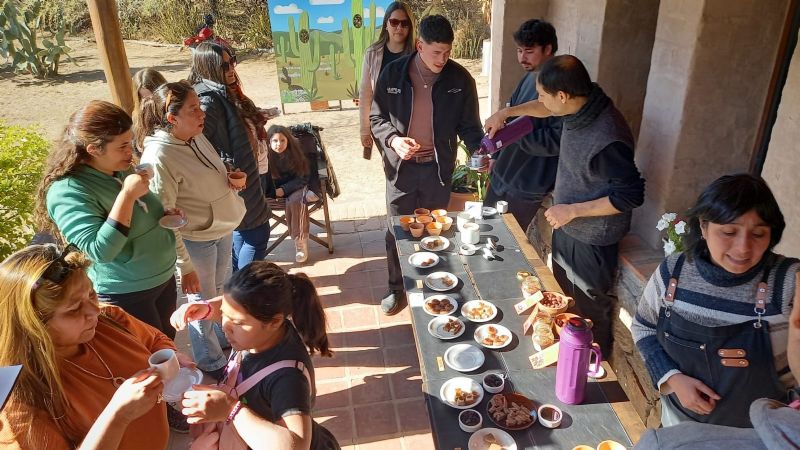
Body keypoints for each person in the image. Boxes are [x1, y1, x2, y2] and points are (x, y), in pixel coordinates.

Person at [485, 55, 645, 356]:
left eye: (544, 94)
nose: (540, 101)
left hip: (593, 238)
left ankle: (593, 378)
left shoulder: (607, 137)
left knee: (589, 313)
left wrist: (572, 210)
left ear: (563, 96)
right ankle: (565, 360)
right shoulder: (582, 102)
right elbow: (544, 109)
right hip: (567, 225)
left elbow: (631, 195)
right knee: (561, 298)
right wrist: (508, 113)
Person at [631, 174, 799, 428]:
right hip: (680, 422)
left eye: (758, 234)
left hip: (759, 436)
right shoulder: (674, 271)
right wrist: (673, 379)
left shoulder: (788, 283)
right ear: (703, 226)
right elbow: (643, 328)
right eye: (729, 232)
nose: (743, 248)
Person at [0, 244, 191, 449]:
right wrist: (118, 416)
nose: (94, 311)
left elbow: (154, 339)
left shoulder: (109, 319)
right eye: (74, 309)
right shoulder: (20, 400)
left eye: (91, 294)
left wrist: (171, 355)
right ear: (32, 325)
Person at [34, 100, 180, 339]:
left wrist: (164, 214)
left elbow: (140, 215)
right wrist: (127, 195)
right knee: (146, 358)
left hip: (161, 279)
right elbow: (98, 251)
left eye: (130, 142)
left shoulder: (117, 167)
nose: (131, 152)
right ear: (93, 149)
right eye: (123, 146)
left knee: (167, 347)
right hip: (128, 293)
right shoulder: (68, 191)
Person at [370, 14, 484, 315]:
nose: (443, 59)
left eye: (447, 52)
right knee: (397, 229)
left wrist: (480, 152)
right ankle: (397, 288)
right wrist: (394, 140)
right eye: (436, 52)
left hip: (437, 169)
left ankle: (434, 285)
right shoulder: (393, 75)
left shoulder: (460, 79)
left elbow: (471, 127)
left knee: (436, 229)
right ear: (419, 46)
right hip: (401, 170)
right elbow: (376, 119)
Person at [136, 80, 247, 378]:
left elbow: (208, 173)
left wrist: (229, 179)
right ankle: (211, 361)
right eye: (193, 109)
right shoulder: (159, 157)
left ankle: (222, 338)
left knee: (220, 289)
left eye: (199, 106)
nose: (202, 113)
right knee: (199, 301)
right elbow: (165, 219)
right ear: (172, 118)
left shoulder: (194, 136)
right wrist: (184, 266)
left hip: (220, 228)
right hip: (196, 240)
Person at [171, 262, 340, 449]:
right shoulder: (257, 335)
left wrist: (230, 409)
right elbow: (235, 305)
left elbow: (298, 445)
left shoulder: (288, 378)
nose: (225, 326)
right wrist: (208, 308)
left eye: (237, 322)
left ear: (274, 321)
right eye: (224, 313)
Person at [189, 42, 272, 271]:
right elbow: (196, 143)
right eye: (223, 64)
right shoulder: (208, 100)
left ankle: (239, 287)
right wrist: (225, 165)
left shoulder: (222, 92)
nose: (230, 68)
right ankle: (244, 290)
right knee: (257, 233)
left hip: (245, 175)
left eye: (231, 61)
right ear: (208, 67)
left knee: (245, 232)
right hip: (235, 179)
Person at [483, 19, 561, 237]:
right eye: (519, 51)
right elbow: (508, 115)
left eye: (528, 51)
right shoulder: (528, 78)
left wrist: (515, 136)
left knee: (506, 245)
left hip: (528, 185)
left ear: (548, 49)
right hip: (502, 174)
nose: (522, 58)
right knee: (483, 232)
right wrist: (496, 155)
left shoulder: (563, 85)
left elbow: (557, 141)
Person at [359, 1, 415, 160]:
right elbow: (365, 94)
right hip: (381, 123)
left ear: (410, 27)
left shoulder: (417, 53)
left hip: (409, 122)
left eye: (404, 23)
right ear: (386, 24)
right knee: (391, 167)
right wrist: (364, 129)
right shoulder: (372, 53)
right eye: (394, 22)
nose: (399, 27)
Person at [264, 125, 317, 264]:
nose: (279, 144)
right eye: (275, 141)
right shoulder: (264, 157)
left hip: (296, 187)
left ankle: (300, 242)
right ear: (268, 142)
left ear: (288, 141)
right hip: (272, 192)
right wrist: (275, 190)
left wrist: (284, 189)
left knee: (296, 201)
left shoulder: (296, 153)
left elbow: (303, 177)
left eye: (282, 140)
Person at [132, 68, 168, 154]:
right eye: (145, 100)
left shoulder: (174, 113)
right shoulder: (137, 118)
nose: (151, 104)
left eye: (154, 98)